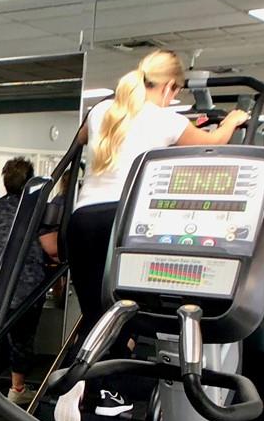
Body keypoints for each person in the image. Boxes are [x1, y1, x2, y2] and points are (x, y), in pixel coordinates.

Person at [66, 50, 248, 321]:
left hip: (82, 221)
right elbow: (216, 142)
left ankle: (94, 358)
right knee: (126, 314)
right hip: (123, 220)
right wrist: (233, 121)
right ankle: (122, 354)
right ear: (168, 86)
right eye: (176, 92)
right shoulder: (167, 119)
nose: (173, 99)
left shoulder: (102, 110)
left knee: (95, 316)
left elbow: (81, 138)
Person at [0, 157, 51, 404]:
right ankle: (17, 389)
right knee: (21, 338)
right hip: (20, 284)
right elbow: (51, 247)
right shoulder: (36, 209)